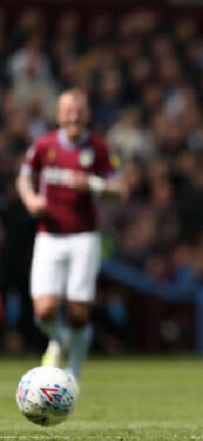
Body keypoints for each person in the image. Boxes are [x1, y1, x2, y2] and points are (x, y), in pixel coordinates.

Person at [16, 88, 127, 383]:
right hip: (49, 235)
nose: (73, 115)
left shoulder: (99, 149)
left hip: (84, 237)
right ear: (58, 115)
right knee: (45, 309)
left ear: (87, 115)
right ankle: (56, 341)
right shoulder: (44, 146)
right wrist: (30, 200)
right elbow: (24, 178)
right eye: (68, 110)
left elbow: (121, 188)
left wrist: (93, 184)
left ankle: (74, 371)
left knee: (78, 312)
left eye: (79, 110)